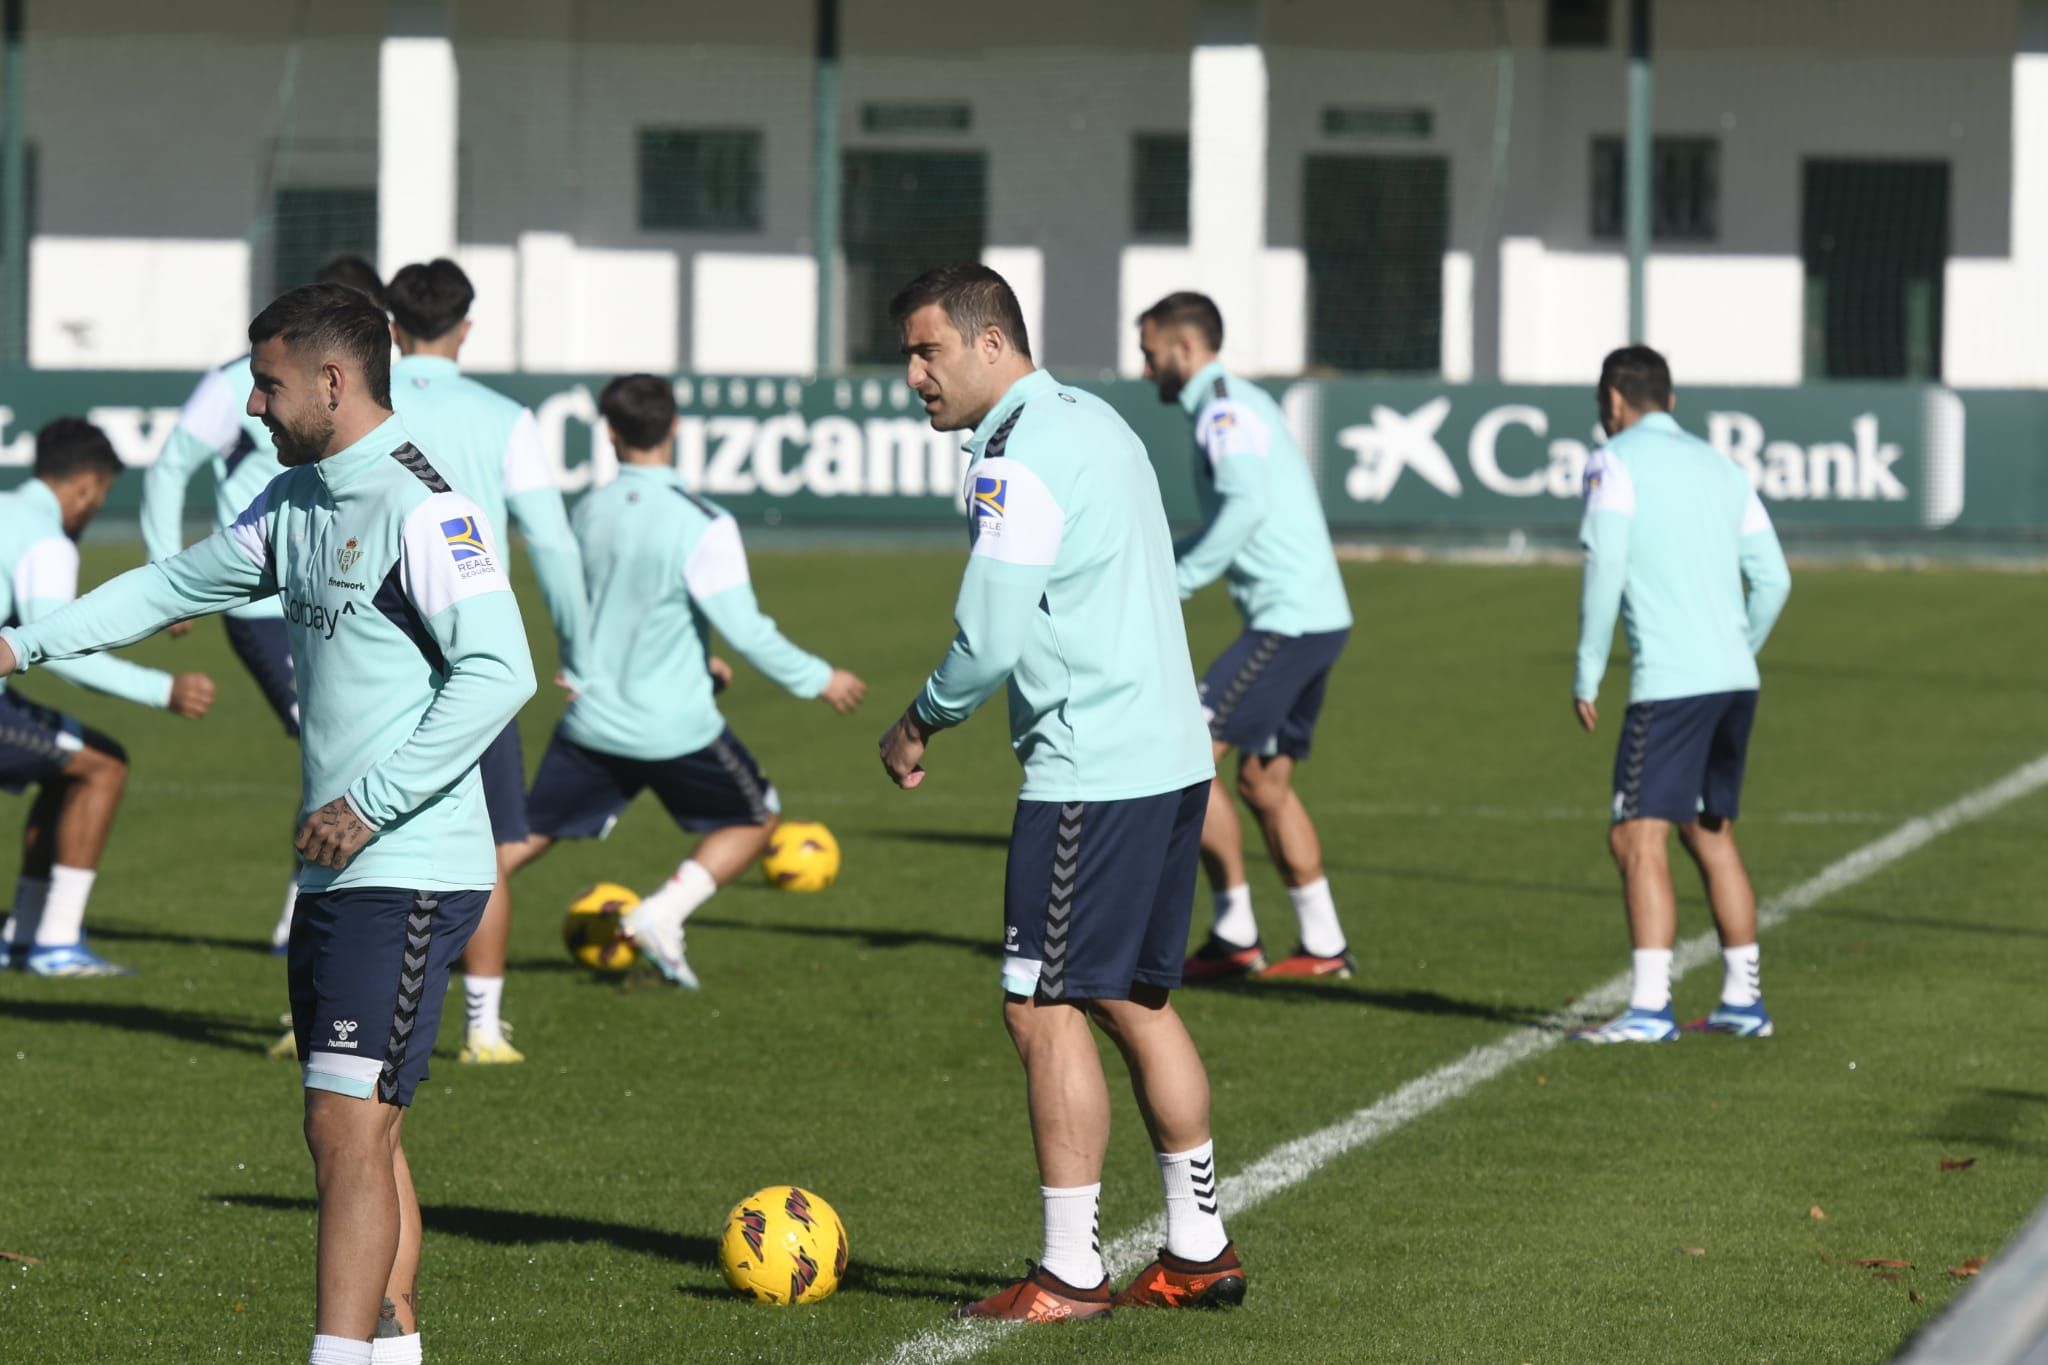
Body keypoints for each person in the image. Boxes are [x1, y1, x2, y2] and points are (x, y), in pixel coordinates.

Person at [0, 282, 536, 1365]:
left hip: (411, 863)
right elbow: (168, 586)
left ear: (334, 382)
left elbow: (502, 672)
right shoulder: (295, 504)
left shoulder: (420, 505)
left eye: (268, 383)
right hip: (344, 870)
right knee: (357, 1136)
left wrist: (370, 803)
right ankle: (393, 1354)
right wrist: (22, 647)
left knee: (348, 1128)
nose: (251, 406)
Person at [877, 264, 1244, 1321]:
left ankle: (1069, 1270)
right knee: (1131, 995)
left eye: (927, 351)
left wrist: (918, 720)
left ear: (991, 343)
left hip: (1092, 768)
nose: (913, 376)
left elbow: (988, 637)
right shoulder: (1096, 420)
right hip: (1168, 754)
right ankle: (1197, 1244)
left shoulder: (1017, 455)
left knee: (1037, 1004)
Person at [500, 373, 864, 988]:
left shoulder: (587, 509)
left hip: (595, 717)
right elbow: (746, 630)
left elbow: (599, 610)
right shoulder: (704, 521)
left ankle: (415, 919)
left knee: (520, 841)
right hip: (674, 727)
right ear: (675, 427)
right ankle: (661, 915)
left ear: (609, 433)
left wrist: (688, 663)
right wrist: (819, 679)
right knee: (757, 818)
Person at [142, 255, 386, 954]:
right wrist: (168, 573)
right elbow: (169, 467)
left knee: (360, 746)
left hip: (344, 588)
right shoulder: (237, 383)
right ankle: (310, 915)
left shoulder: (368, 389)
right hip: (260, 604)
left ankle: (328, 910)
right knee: (339, 746)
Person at [385, 257, 590, 1065]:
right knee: (490, 835)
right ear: (466, 327)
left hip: (372, 645)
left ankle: (315, 1018)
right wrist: (573, 646)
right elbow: (552, 540)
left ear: (391, 327)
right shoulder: (506, 417)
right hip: (469, 650)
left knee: (339, 823)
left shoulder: (366, 400)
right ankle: (481, 1027)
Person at [1568, 344, 1792, 1045]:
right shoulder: (1722, 466)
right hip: (1733, 677)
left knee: (1635, 833)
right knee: (1708, 829)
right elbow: (1776, 579)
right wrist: (1734, 647)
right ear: (1669, 399)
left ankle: (1648, 1007)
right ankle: (1742, 998)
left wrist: (1587, 669)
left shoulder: (1614, 461)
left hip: (1672, 680)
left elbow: (1606, 562)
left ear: (1612, 401)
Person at [1137, 291, 1358, 980]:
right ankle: (1323, 944)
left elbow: (1247, 505)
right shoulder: (1230, 403)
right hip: (1311, 616)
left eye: (1150, 354)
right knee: (1263, 783)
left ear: (1183, 348)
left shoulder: (1225, 409)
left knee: (1184, 751)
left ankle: (1236, 931)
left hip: (1288, 619)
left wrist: (1175, 580)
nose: (1146, 369)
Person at [0, 419, 215, 975]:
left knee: (70, 763)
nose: (92, 513)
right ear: (85, 488)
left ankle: (24, 935)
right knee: (103, 766)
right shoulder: (44, 538)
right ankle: (55, 943)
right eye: (99, 499)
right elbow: (59, 644)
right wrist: (162, 689)